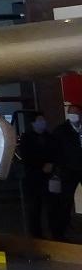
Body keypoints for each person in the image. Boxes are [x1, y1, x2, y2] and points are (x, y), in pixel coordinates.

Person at [48, 103, 82, 240]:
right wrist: (58, 167)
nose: (73, 116)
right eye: (71, 113)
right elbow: (55, 150)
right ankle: (60, 232)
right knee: (65, 201)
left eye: (76, 113)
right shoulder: (61, 131)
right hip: (68, 170)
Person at [17, 111, 54, 238]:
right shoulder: (27, 138)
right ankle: (36, 234)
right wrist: (40, 166)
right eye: (39, 120)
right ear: (32, 123)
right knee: (35, 207)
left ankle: (55, 231)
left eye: (43, 120)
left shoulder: (49, 137)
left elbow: (55, 152)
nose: (42, 123)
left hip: (49, 176)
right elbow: (27, 157)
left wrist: (51, 164)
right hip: (33, 177)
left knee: (52, 205)